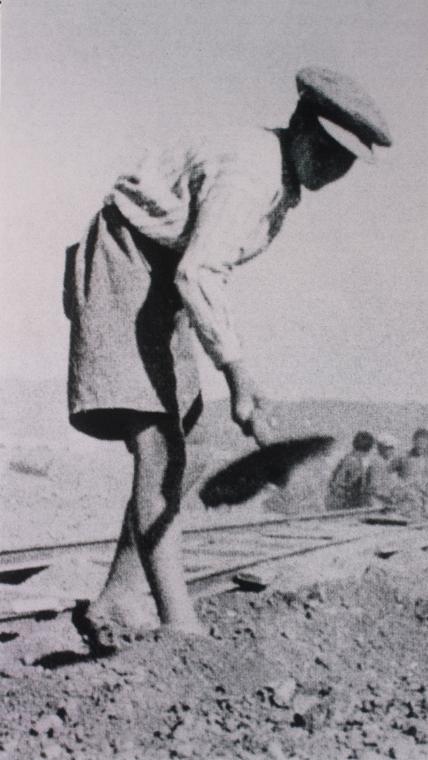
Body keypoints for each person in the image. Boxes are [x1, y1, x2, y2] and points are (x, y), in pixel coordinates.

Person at [64, 67, 392, 651]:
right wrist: (238, 375)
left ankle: (118, 595)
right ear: (299, 126)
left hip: (161, 272)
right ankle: (179, 623)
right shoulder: (251, 173)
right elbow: (199, 271)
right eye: (325, 150)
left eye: (344, 161)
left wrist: (240, 377)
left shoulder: (278, 180)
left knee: (180, 441)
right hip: (127, 257)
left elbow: (198, 268)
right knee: (160, 447)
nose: (332, 168)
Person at [325, 431, 375, 511]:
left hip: (332, 501)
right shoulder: (356, 463)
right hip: (343, 504)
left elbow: (332, 482)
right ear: (368, 449)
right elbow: (363, 490)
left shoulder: (346, 458)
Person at [393, 428, 428, 518]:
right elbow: (388, 472)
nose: (420, 446)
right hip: (406, 498)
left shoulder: (426, 459)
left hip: (423, 498)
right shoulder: (403, 457)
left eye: (423, 444)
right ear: (414, 441)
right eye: (418, 443)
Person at [366, 432, 401, 509]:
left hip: (386, 502)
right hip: (377, 503)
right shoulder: (376, 463)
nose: (391, 451)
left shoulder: (389, 462)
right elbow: (374, 489)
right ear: (380, 448)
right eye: (388, 448)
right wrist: (390, 498)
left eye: (392, 448)